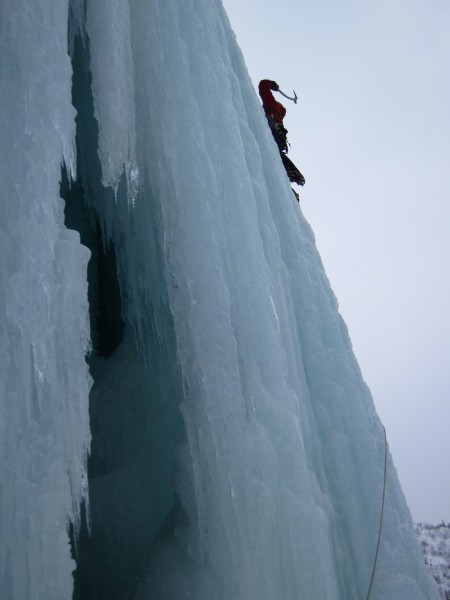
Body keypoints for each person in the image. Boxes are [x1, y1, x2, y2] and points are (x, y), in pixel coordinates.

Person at [258, 79, 305, 189]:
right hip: (280, 135)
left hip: (273, 130)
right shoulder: (280, 114)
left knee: (275, 153)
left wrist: (272, 84)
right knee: (277, 153)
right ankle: (293, 173)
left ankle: (292, 172)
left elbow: (263, 85)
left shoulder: (270, 103)